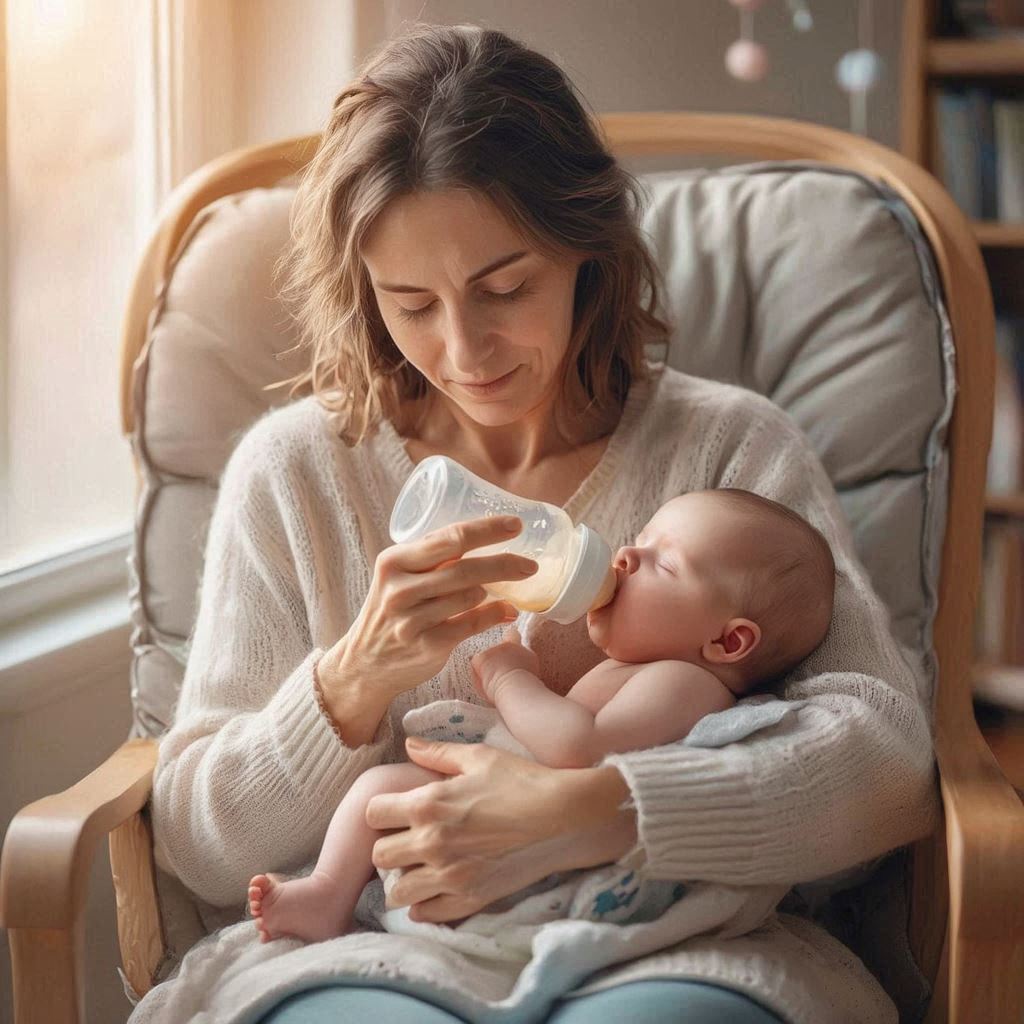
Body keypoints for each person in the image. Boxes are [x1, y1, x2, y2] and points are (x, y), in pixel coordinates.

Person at [130, 20, 938, 1024]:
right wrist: (347, 684)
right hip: (375, 951)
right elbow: (199, 843)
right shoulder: (296, 473)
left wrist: (597, 810)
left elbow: (886, 766)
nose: (463, 349)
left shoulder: (729, 452)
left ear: (586, 252)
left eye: (504, 287)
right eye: (411, 302)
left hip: (667, 946)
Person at [247, 488, 836, 945]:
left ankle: (336, 896)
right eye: (641, 539)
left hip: (554, 846)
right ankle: (327, 892)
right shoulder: (645, 665)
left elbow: (580, 747)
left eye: (665, 563)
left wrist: (511, 680)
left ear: (729, 643)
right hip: (505, 811)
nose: (628, 555)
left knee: (383, 790)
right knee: (378, 789)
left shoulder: (685, 684)